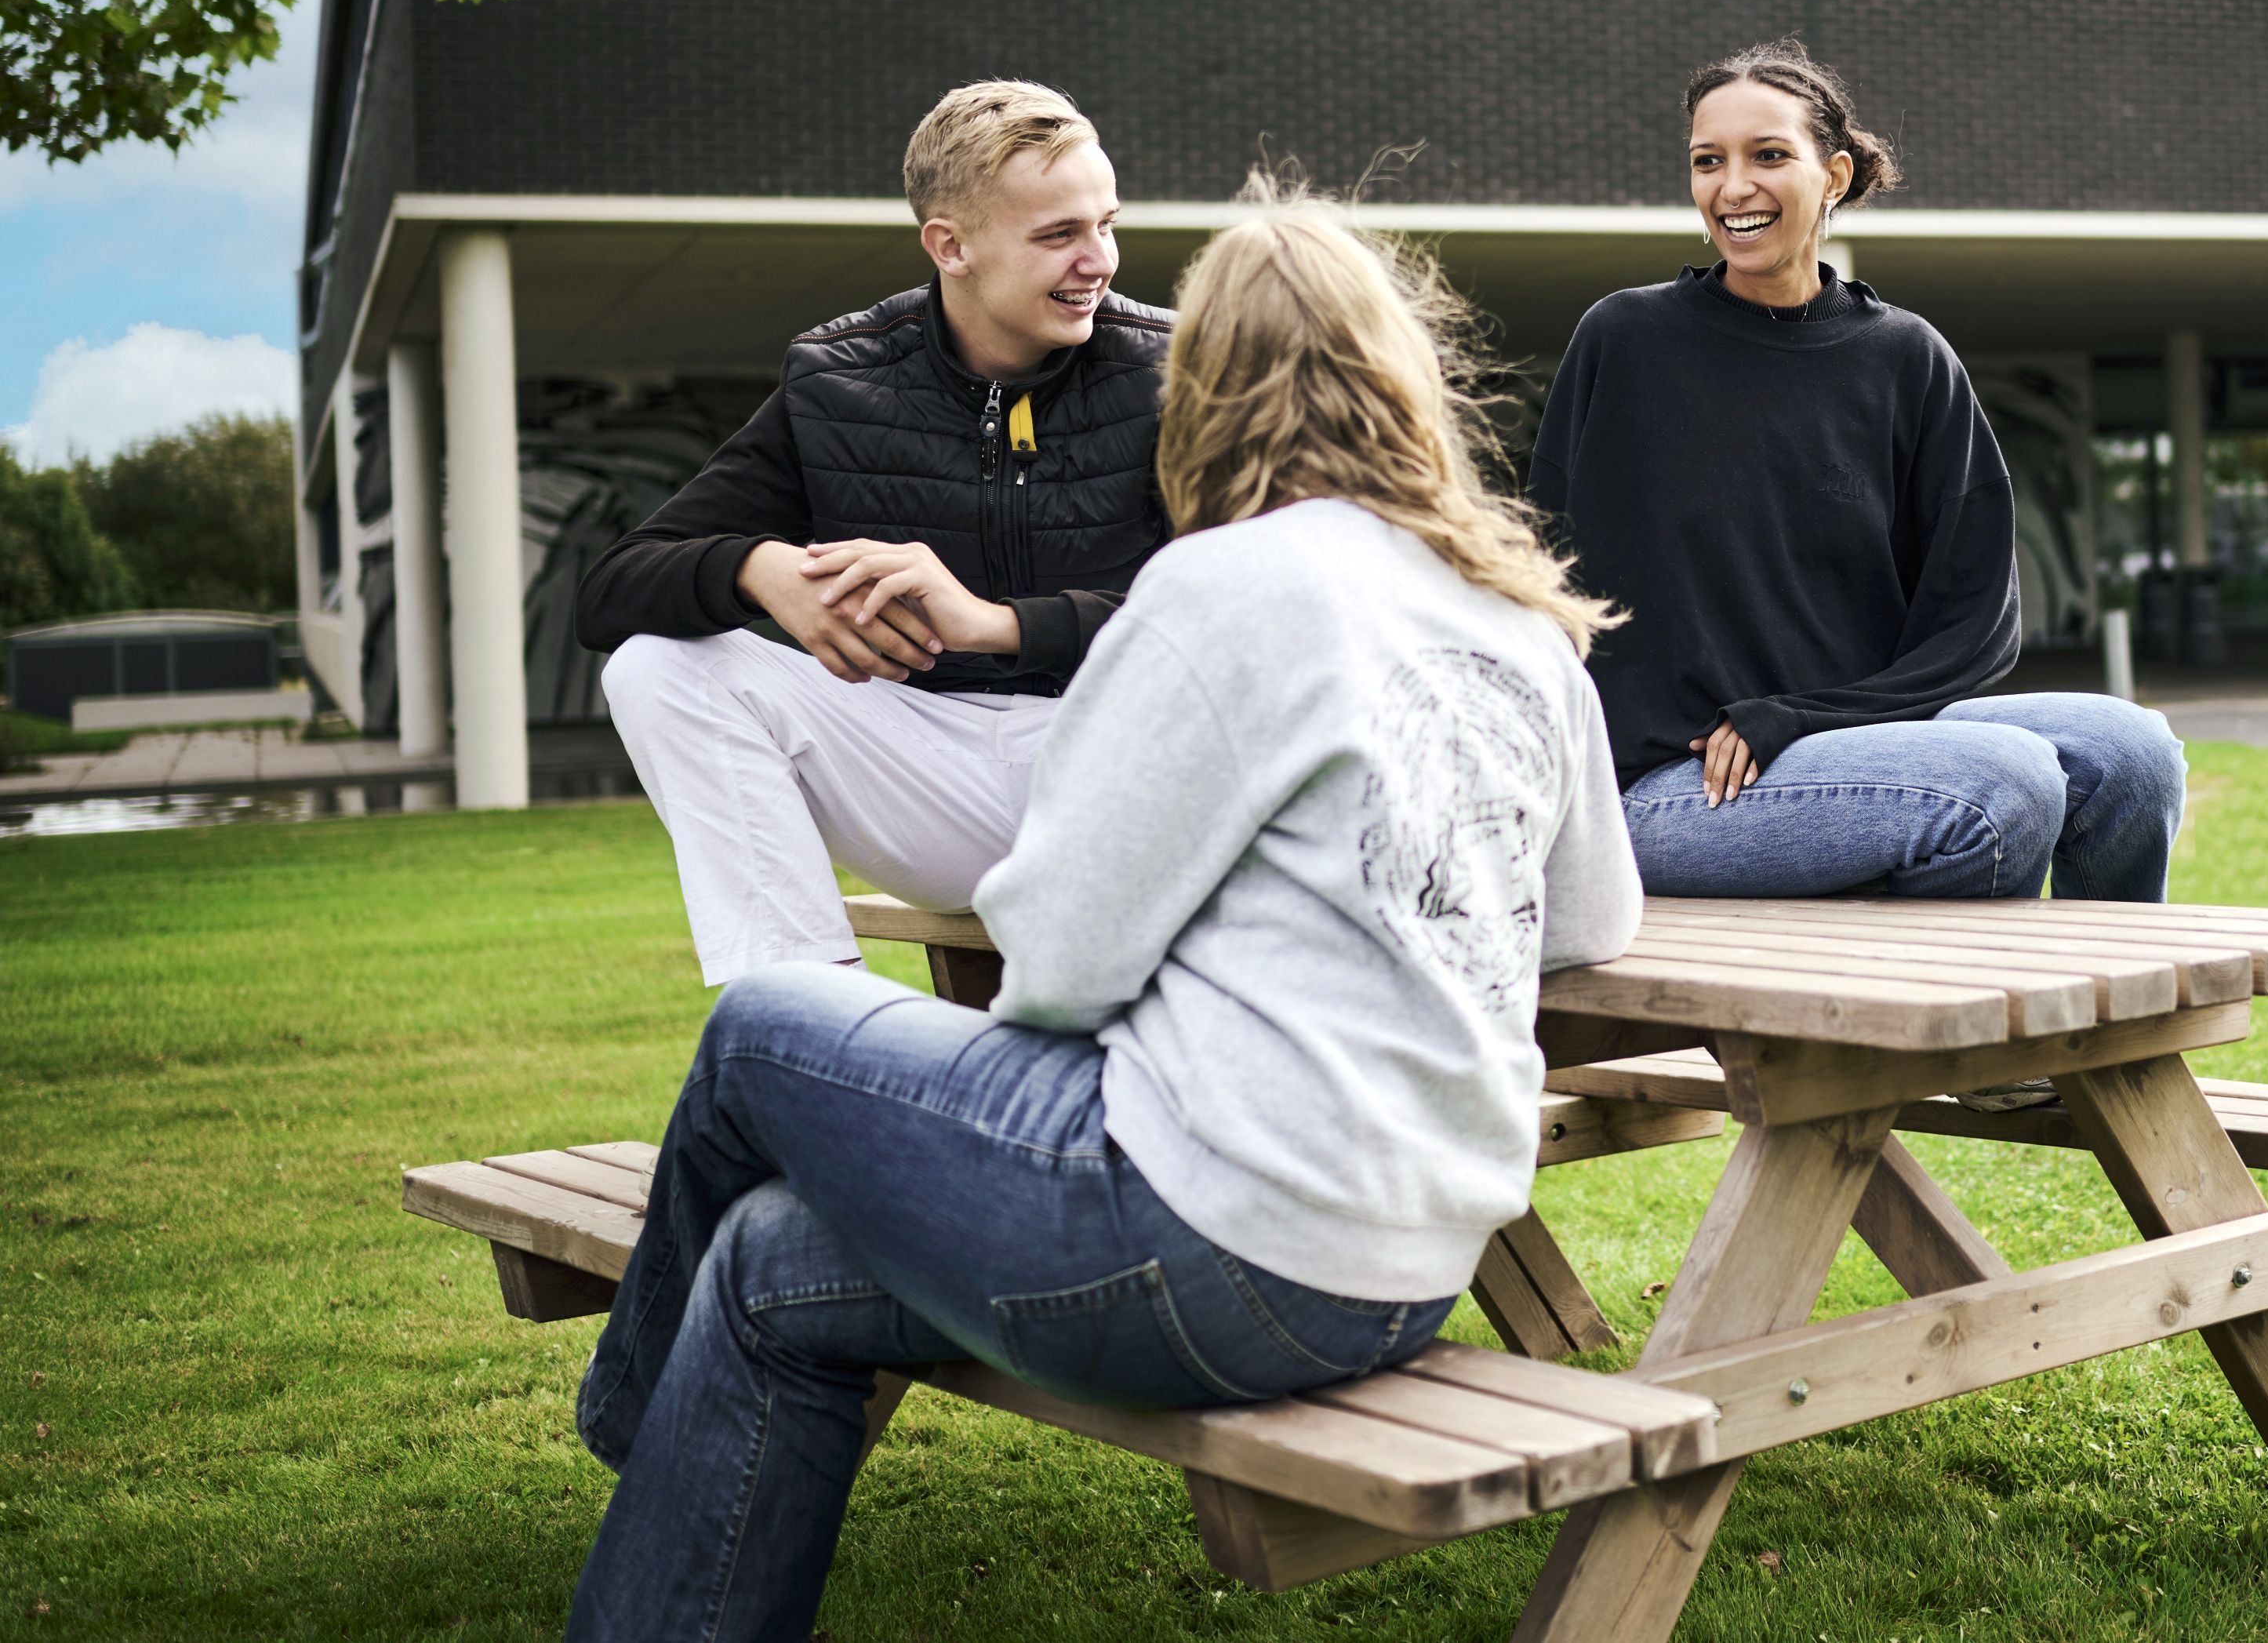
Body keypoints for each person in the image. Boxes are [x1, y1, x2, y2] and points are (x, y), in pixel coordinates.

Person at [563, 194, 1642, 1641]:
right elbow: (1589, 919)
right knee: (765, 1261)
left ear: (1204, 388)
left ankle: (621, 1420)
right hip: (1408, 1265)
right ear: (1402, 379)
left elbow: (1059, 965)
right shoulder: (1516, 617)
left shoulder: (1219, 587)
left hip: (1205, 1244)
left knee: (765, 1029)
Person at [1528, 38, 2186, 903]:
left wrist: (1801, 715)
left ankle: (2102, 1019)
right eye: (1706, 161)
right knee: (2006, 783)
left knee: (2134, 753)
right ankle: (1972, 1028)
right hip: (1671, 781)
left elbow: (1974, 622)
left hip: (1851, 737)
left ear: (1833, 176)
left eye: (1768, 156)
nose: (1733, 188)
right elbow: (1537, 573)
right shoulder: (1626, 342)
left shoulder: (1904, 358)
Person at [576, 80, 1174, 983]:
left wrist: (997, 624)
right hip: (930, 779)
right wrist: (758, 569)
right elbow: (613, 589)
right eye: (1059, 235)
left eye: (1106, 223)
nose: (1100, 260)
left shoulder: (1180, 370)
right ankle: (810, 1014)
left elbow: (1251, 616)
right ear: (951, 245)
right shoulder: (839, 380)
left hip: (1132, 775)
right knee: (655, 666)